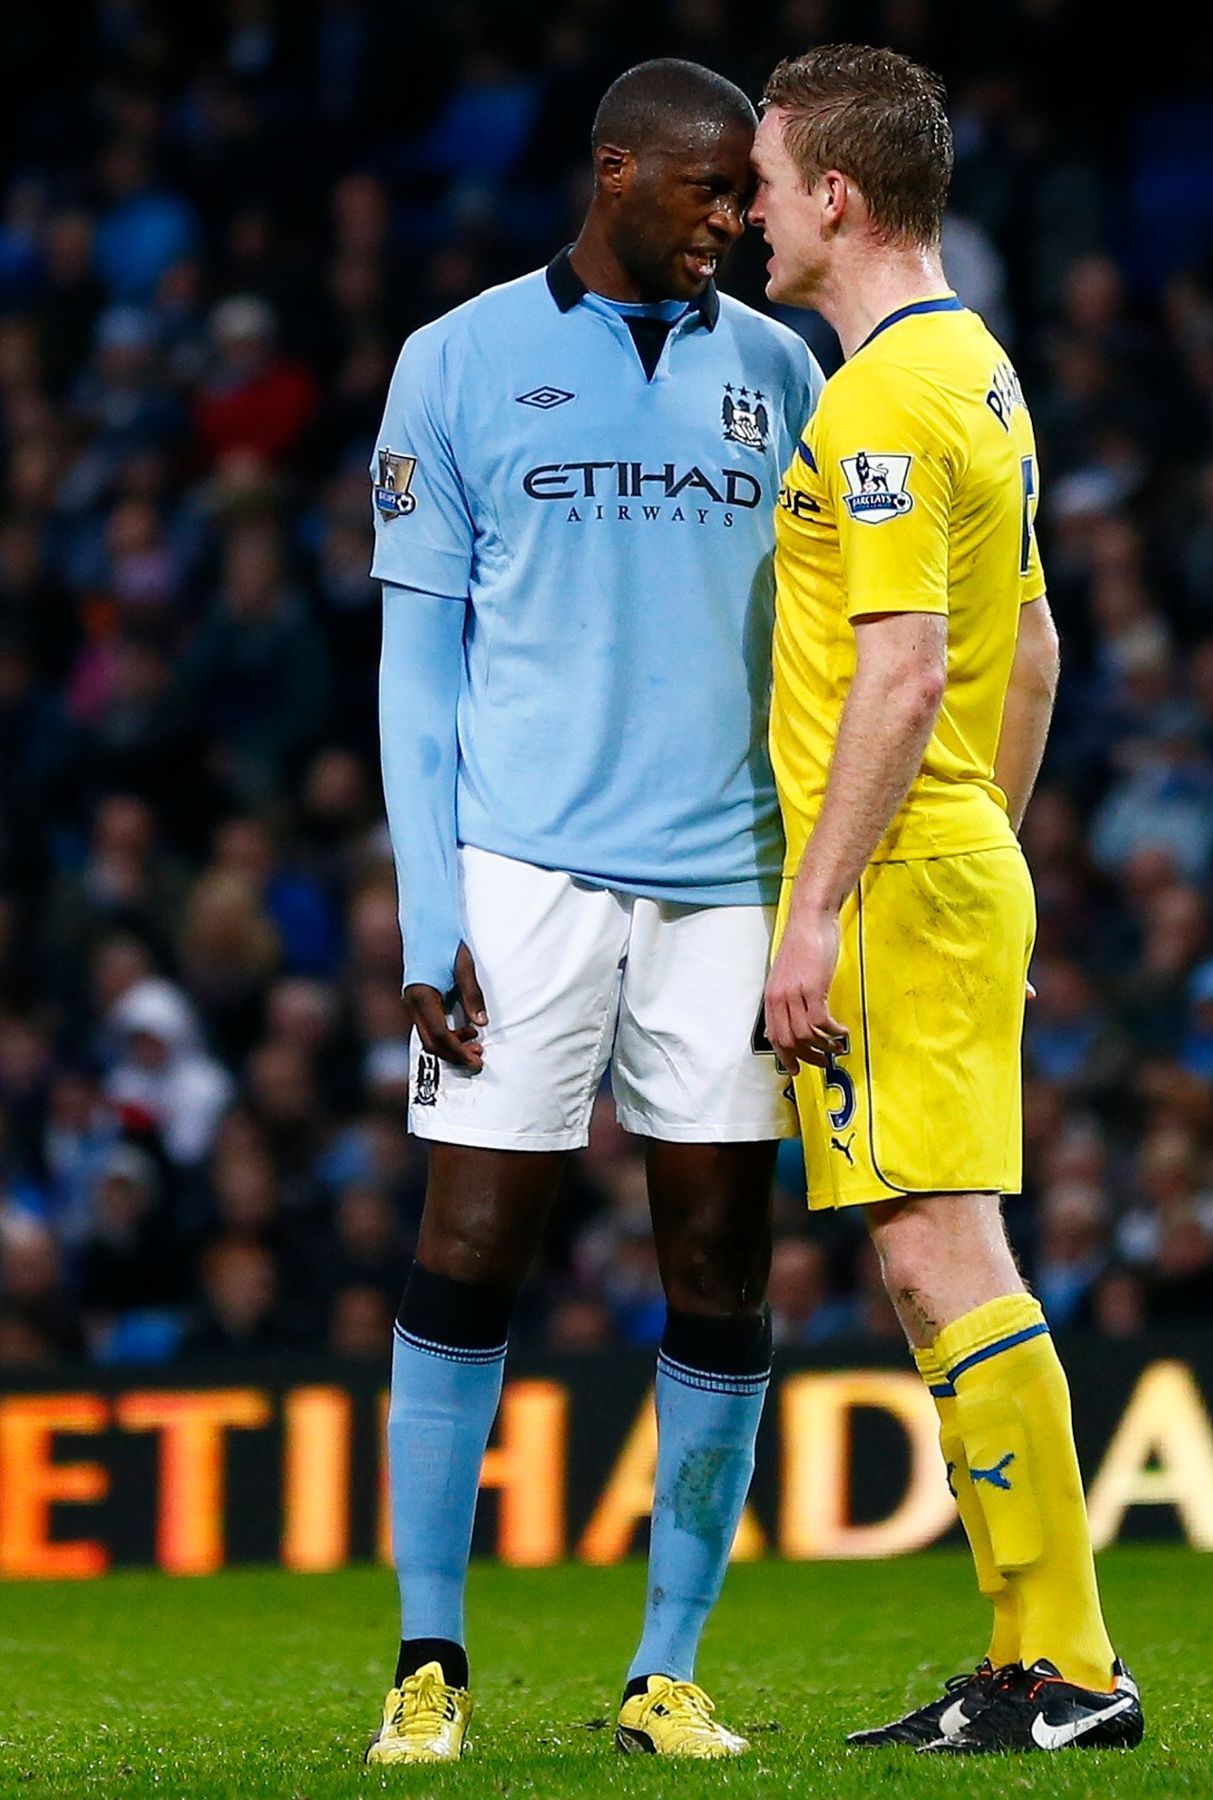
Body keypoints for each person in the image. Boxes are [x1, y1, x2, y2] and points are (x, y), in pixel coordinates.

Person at [365, 59, 822, 1764]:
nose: (733, 218)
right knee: (472, 1242)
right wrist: (430, 915)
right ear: (615, 170)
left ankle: (667, 1671)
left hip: (727, 880)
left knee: (716, 1257)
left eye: (744, 194)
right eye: (707, 188)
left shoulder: (782, 371)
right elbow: (419, 668)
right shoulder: (458, 360)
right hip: (526, 874)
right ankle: (428, 1661)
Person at [749, 45, 1142, 1756]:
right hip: (950, 853)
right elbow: (1031, 654)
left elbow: (905, 676)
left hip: (898, 869)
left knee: (936, 1250)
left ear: (833, 195)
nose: (751, 214)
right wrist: (990, 843)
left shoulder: (877, 401)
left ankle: (1061, 1667)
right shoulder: (975, 368)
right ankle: (1039, 1660)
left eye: (765, 183)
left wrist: (819, 908)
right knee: (933, 1256)